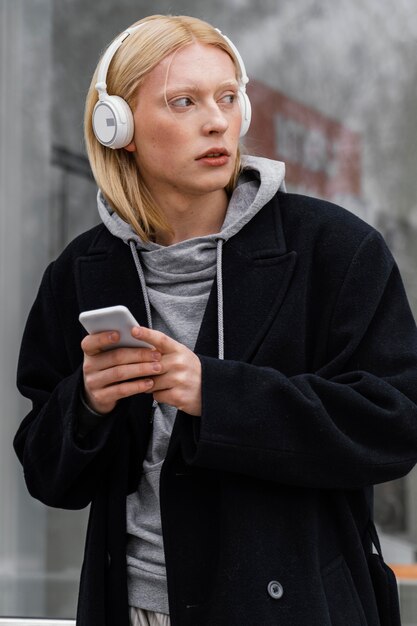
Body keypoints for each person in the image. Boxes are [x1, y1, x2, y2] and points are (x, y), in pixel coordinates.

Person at [14, 13, 417, 626]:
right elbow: (48, 477)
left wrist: (218, 394)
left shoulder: (335, 250)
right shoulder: (79, 273)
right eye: (184, 101)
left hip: (293, 610)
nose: (217, 120)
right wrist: (87, 404)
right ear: (116, 125)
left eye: (229, 98)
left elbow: (396, 426)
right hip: (131, 609)